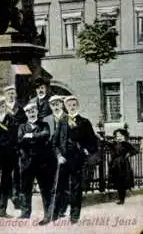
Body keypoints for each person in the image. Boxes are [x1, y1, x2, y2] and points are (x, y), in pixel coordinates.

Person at [53, 96, 98, 224]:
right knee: (61, 187)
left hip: (78, 159)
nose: (71, 107)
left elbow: (93, 141)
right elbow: (54, 142)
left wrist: (87, 150)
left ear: (77, 106)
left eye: (74, 105)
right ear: (65, 107)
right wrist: (58, 155)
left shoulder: (84, 122)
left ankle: (74, 216)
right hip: (64, 159)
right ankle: (58, 212)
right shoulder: (62, 121)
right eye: (69, 105)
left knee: (76, 188)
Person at [17, 102, 56, 223]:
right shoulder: (22, 127)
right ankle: (25, 213)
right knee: (25, 188)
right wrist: (33, 137)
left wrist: (31, 135)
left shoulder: (44, 125)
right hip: (27, 163)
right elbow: (20, 141)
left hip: (42, 163)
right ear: (26, 114)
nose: (31, 114)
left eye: (33, 111)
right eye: (29, 112)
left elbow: (46, 135)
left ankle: (48, 215)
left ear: (37, 112)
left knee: (45, 189)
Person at [43, 95, 68, 220]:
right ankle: (54, 209)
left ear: (62, 105)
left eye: (57, 103)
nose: (55, 106)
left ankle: (62, 209)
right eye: (53, 104)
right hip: (50, 155)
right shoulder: (46, 119)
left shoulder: (68, 118)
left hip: (65, 154)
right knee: (52, 183)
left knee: (64, 183)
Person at [3, 84, 26, 209]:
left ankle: (17, 196)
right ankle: (9, 195)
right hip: (6, 146)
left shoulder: (21, 109)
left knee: (18, 172)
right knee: (6, 171)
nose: (11, 96)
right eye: (8, 93)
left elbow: (24, 125)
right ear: (5, 96)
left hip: (18, 145)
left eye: (12, 93)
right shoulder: (1, 109)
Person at [105, 128, 139, 205]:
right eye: (117, 136)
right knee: (117, 181)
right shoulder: (113, 144)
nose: (118, 138)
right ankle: (120, 197)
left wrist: (129, 154)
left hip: (123, 165)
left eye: (120, 136)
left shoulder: (126, 144)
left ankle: (122, 199)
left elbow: (135, 150)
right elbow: (106, 144)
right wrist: (103, 139)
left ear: (124, 136)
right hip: (115, 165)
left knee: (122, 182)